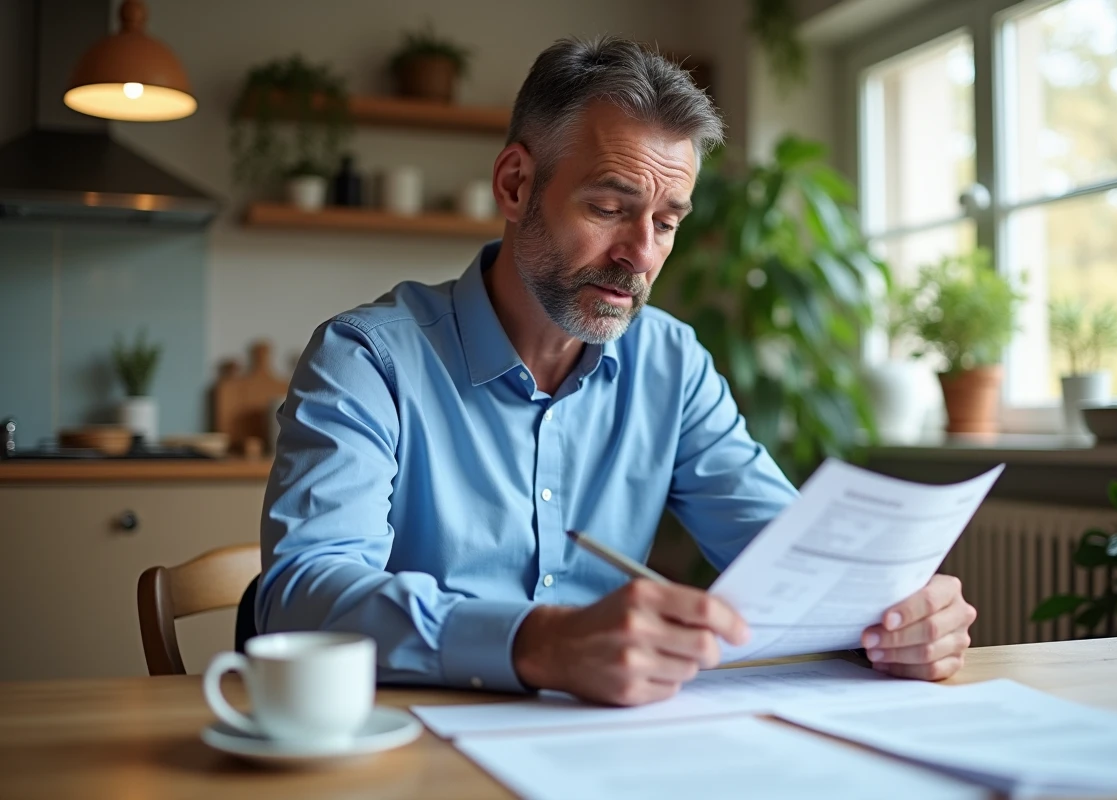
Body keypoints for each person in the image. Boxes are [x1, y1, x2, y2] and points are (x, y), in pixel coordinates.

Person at [257, 35, 976, 707]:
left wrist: (899, 613)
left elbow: (793, 561)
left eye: (666, 222)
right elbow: (303, 594)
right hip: (405, 749)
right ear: (514, 185)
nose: (640, 254)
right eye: (608, 207)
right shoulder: (366, 360)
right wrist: (536, 641)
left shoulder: (672, 363)